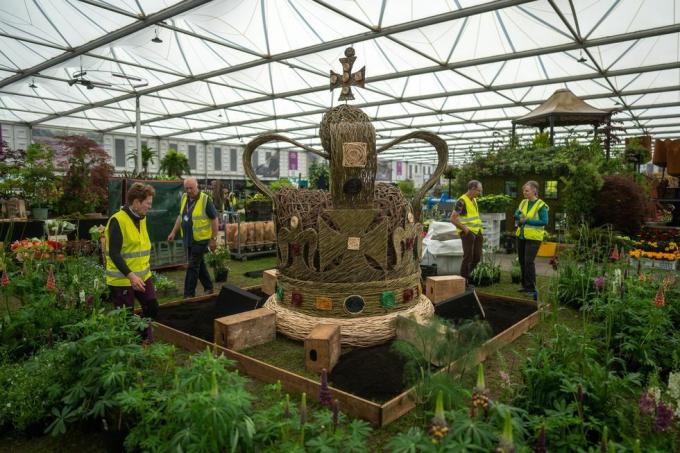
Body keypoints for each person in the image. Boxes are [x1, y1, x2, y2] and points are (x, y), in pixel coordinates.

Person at [104, 183, 158, 319]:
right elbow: (114, 253)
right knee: (125, 318)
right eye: (148, 203)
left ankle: (146, 339)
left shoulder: (142, 218)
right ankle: (135, 339)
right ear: (136, 202)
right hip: (122, 280)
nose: (150, 207)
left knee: (152, 307)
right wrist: (131, 276)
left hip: (143, 276)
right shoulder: (118, 220)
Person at [167, 177, 220, 298]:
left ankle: (188, 294)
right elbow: (181, 216)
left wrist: (213, 239)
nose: (189, 190)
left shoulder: (205, 200)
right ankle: (208, 287)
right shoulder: (184, 198)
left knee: (192, 266)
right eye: (187, 188)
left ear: (197, 186)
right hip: (188, 239)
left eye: (191, 188)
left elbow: (214, 219)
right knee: (199, 264)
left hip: (201, 239)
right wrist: (173, 232)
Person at [514, 181, 549, 295]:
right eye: (524, 190)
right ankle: (525, 286)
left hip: (534, 238)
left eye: (527, 190)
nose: (524, 192)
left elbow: (544, 221)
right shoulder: (523, 202)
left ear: (534, 191)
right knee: (522, 261)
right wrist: (519, 217)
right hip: (521, 236)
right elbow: (516, 214)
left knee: (529, 262)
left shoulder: (541, 205)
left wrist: (526, 220)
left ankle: (531, 288)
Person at [450, 180, 484, 287]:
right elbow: (453, 218)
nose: (480, 193)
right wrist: (465, 229)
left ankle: (466, 276)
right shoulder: (461, 201)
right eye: (478, 191)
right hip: (468, 233)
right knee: (468, 257)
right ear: (472, 189)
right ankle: (463, 281)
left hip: (477, 232)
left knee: (477, 257)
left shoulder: (474, 200)